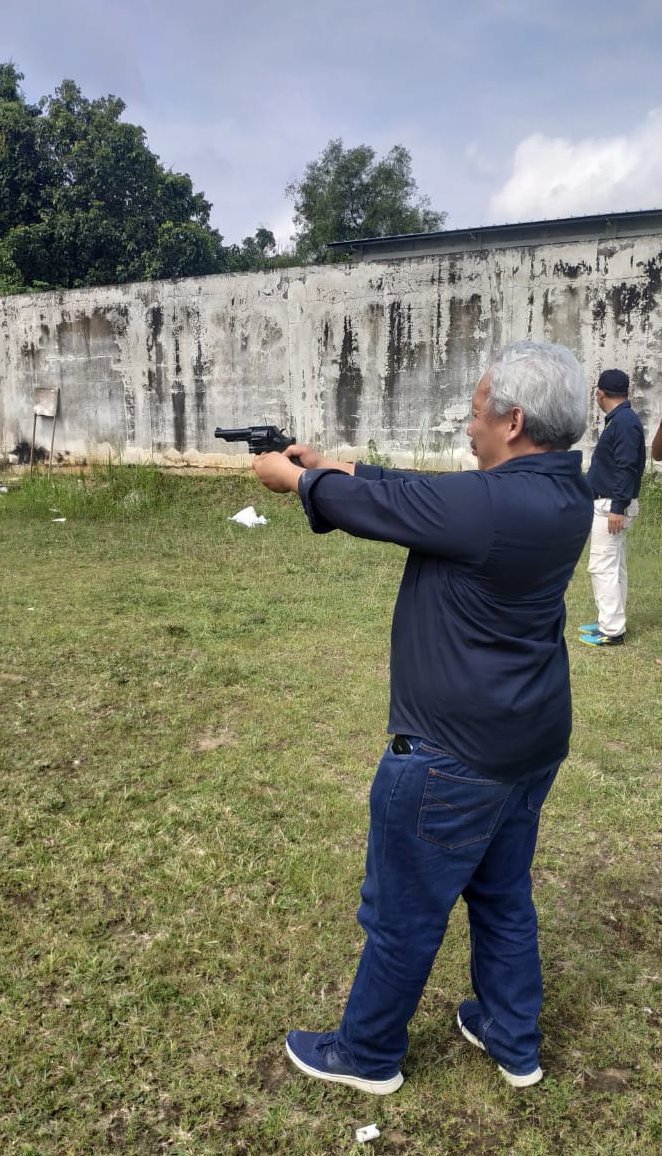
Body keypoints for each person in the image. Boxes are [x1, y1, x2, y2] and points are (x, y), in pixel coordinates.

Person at [253, 340, 593, 1094]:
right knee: (502, 897)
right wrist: (336, 466)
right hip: (527, 743)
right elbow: (423, 495)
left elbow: (393, 509)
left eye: (476, 413)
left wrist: (301, 481)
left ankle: (366, 1053)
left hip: (454, 755)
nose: (468, 427)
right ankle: (511, 1038)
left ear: (513, 421)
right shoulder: (562, 492)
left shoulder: (493, 507)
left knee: (402, 912)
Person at [578, 370, 646, 647]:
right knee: (614, 566)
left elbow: (626, 467)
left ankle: (612, 630)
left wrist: (618, 507)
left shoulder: (624, 423)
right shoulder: (622, 420)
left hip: (611, 506)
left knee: (602, 566)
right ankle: (609, 619)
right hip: (611, 503)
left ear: (601, 393)